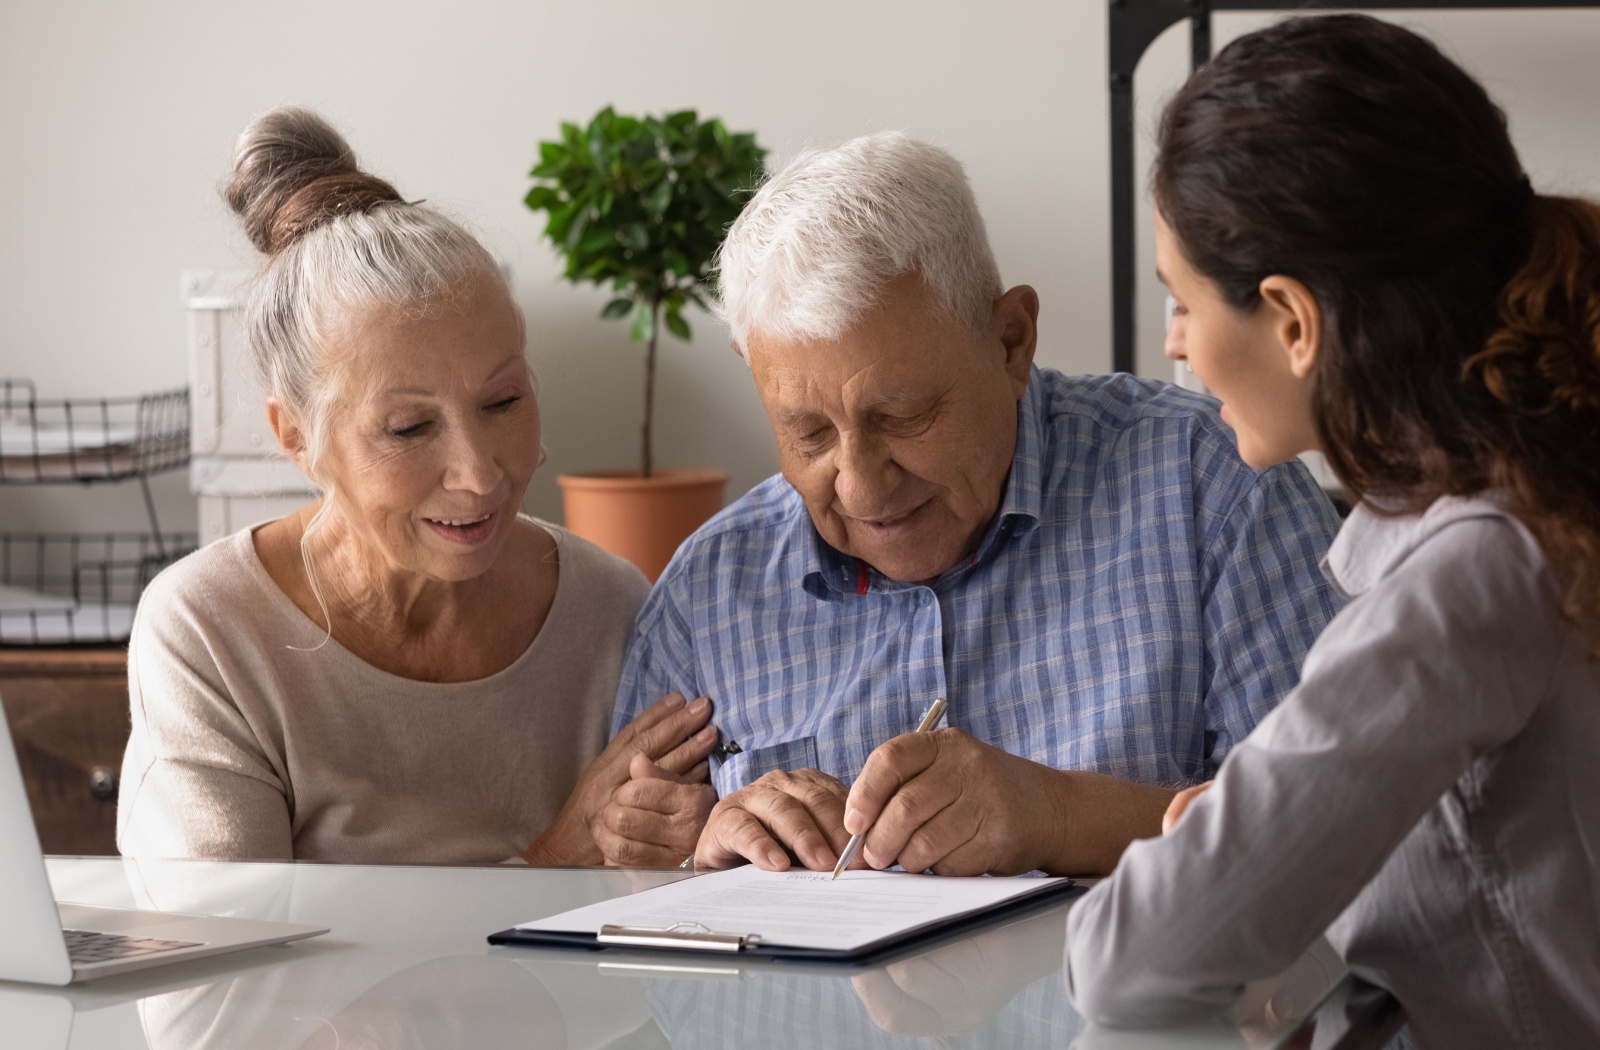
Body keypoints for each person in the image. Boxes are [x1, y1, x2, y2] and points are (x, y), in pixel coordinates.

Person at [1063, 16, 1600, 1047]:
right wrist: (1239, 849)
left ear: (1293, 320)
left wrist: (1205, 873)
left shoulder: (1471, 576)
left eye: (1180, 303)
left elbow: (1127, 964)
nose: (1174, 347)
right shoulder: (1537, 509)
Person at [599, 132, 1345, 874]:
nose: (860, 485)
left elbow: (1345, 834)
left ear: (1011, 341)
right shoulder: (707, 594)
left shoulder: (1211, 490)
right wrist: (694, 856)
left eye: (903, 416)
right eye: (808, 433)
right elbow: (615, 929)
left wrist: (1059, 816)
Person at [117, 107, 717, 865]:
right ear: (296, 436)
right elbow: (230, 962)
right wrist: (552, 865)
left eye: (503, 402)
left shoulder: (612, 609)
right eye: (407, 429)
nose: (479, 474)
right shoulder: (211, 630)